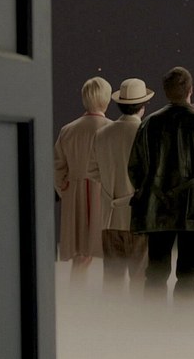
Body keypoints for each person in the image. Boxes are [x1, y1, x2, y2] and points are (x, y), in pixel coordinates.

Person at [128, 66, 194, 302]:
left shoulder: (149, 123)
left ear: (165, 91)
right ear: (191, 90)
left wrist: (147, 191)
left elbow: (134, 166)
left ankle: (153, 320)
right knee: (189, 275)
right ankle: (184, 322)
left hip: (157, 208)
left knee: (155, 273)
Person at [87, 78, 153, 295]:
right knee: (140, 282)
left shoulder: (102, 134)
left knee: (112, 283)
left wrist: (110, 181)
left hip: (110, 218)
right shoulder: (146, 134)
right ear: (143, 106)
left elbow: (91, 171)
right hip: (139, 219)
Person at [54, 76, 113, 285]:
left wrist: (64, 188)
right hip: (103, 194)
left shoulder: (68, 130)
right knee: (107, 254)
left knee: (80, 254)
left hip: (75, 194)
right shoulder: (111, 129)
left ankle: (76, 294)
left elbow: (58, 167)